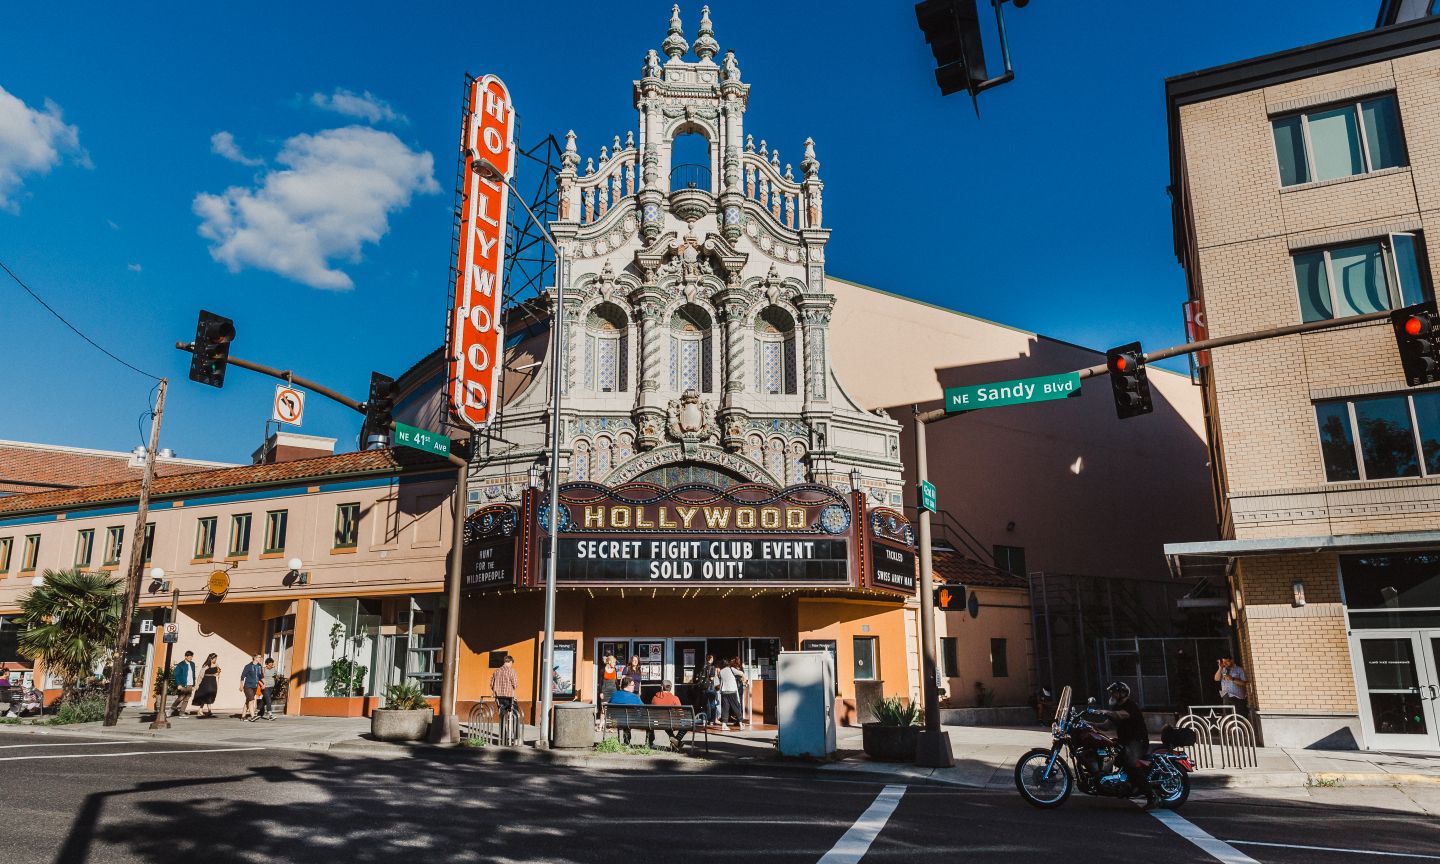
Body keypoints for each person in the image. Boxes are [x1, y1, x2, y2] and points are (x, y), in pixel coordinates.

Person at [1094, 681, 1155, 808]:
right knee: (1109, 752)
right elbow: (1106, 726)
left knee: (1131, 764)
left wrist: (1102, 711)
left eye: (1114, 692)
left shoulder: (1130, 705)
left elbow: (1121, 715)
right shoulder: (1116, 708)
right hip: (1125, 741)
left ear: (1122, 693)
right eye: (1111, 693)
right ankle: (1122, 784)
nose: (1112, 695)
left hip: (1137, 741)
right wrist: (1088, 724)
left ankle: (1152, 796)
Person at [649, 679, 687, 750]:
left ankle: (674, 741)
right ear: (670, 688)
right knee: (687, 723)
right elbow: (681, 713)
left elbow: (652, 711)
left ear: (662, 687)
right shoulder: (675, 698)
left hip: (658, 722)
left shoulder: (654, 698)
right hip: (671, 722)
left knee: (666, 722)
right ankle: (677, 740)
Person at [608, 678, 643, 744]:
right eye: (633, 685)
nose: (634, 686)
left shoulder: (615, 695)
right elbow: (643, 708)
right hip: (631, 721)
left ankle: (625, 741)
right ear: (627, 685)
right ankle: (627, 741)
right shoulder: (634, 697)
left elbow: (608, 706)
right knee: (628, 719)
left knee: (625, 718)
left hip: (614, 721)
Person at [716, 656, 743, 731]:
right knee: (736, 707)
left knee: (725, 708)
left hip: (724, 691)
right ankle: (741, 724)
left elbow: (720, 680)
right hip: (731, 691)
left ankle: (724, 725)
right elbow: (741, 673)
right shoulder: (731, 669)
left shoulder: (721, 671)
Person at [171, 651, 197, 717]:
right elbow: (176, 675)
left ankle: (182, 713)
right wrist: (178, 684)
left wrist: (193, 684)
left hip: (190, 684)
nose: (191, 658)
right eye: (190, 657)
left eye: (192, 657)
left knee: (186, 699)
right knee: (181, 698)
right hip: (183, 684)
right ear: (186, 656)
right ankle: (172, 708)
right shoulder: (180, 664)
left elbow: (193, 675)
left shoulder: (192, 664)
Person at [192, 653, 220, 718]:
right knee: (205, 696)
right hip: (206, 682)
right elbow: (200, 675)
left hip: (212, 682)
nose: (216, 659)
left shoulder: (216, 665)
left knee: (211, 695)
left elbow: (219, 672)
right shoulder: (206, 665)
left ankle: (209, 711)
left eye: (216, 658)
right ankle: (200, 710)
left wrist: (217, 675)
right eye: (215, 658)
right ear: (211, 658)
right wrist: (197, 684)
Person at [241, 654, 264, 721]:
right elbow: (242, 676)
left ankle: (243, 717)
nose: (261, 658)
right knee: (252, 700)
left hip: (255, 686)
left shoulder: (259, 666)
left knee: (248, 701)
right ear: (255, 658)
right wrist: (241, 685)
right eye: (259, 657)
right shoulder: (248, 666)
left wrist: (264, 684)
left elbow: (260, 677)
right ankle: (253, 716)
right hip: (248, 686)